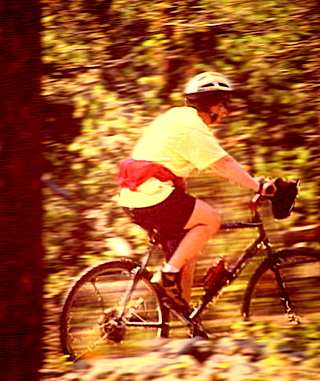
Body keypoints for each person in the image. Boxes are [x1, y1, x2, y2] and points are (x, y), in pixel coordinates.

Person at [118, 72, 275, 313]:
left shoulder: (176, 117)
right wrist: (258, 186)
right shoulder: (192, 127)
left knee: (186, 255)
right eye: (223, 105)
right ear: (210, 102)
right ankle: (167, 275)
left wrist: (253, 181)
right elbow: (222, 164)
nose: (225, 112)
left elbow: (214, 165)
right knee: (211, 218)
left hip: (136, 196)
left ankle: (165, 318)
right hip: (152, 195)